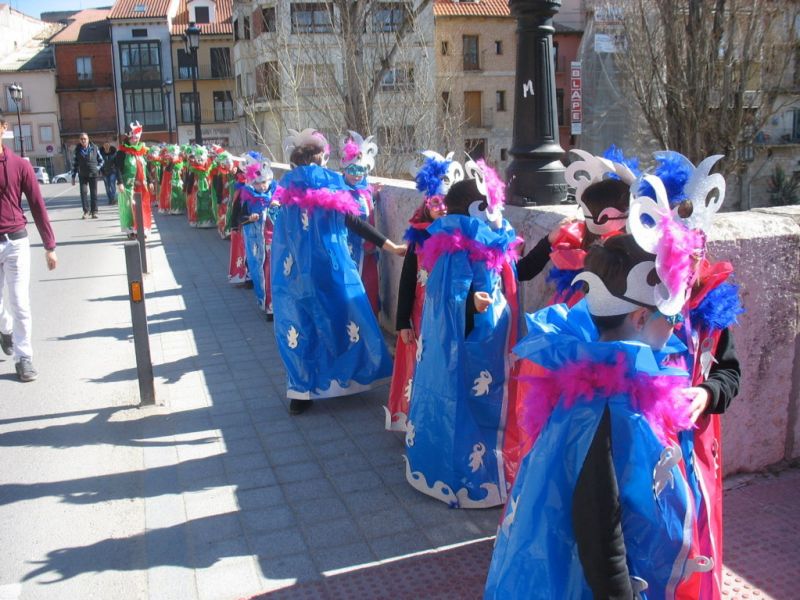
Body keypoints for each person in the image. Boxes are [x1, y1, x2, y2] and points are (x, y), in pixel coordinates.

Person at [403, 159, 522, 508]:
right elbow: (448, 300)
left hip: (489, 342)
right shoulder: (456, 248)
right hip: (471, 345)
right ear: (476, 209)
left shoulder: (488, 242)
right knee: (470, 406)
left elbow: (513, 275)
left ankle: (486, 471)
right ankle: (471, 479)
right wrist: (472, 305)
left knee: (485, 406)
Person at [270, 128, 406, 415]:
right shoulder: (330, 187)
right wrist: (390, 245)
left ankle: (301, 391)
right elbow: (353, 222)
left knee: (301, 325)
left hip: (295, 274)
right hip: (331, 270)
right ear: (321, 161)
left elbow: (277, 231)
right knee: (343, 319)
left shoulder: (285, 191)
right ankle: (345, 378)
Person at [384, 150, 462, 432]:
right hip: (419, 315)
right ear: (427, 204)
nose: (442, 208)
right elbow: (407, 279)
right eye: (435, 202)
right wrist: (402, 321)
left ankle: (443, 419)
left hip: (449, 316)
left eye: (446, 202)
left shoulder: (462, 236)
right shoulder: (419, 235)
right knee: (421, 363)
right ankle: (419, 419)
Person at [0, 116, 58, 382]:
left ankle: (24, 358)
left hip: (16, 241)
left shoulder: (19, 165)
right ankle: (6, 329)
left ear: (3, 128)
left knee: (20, 301)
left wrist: (49, 245)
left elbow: (37, 205)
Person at [340, 131, 381, 316]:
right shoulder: (340, 191)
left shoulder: (365, 190)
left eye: (361, 171)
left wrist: (374, 194)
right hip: (351, 252)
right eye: (353, 170)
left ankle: (370, 325)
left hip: (369, 251)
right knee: (353, 291)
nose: (357, 175)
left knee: (370, 288)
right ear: (344, 169)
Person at [238, 153, 278, 316]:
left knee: (274, 270)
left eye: (264, 182)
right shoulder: (247, 197)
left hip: (274, 241)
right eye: (257, 183)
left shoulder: (275, 194)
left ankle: (273, 303)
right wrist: (250, 218)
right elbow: (240, 218)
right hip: (257, 241)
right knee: (260, 270)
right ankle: (265, 300)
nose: (262, 186)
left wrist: (277, 206)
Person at [115, 121, 152, 238]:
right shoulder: (122, 152)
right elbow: (117, 168)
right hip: (128, 185)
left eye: (137, 137)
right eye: (133, 137)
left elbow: (145, 167)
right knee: (129, 207)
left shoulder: (141, 151)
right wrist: (120, 182)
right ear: (129, 137)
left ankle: (142, 229)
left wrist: (150, 181)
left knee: (142, 206)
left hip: (141, 185)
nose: (135, 140)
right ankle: (131, 230)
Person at [71, 132, 104, 219]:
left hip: (93, 174)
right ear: (79, 140)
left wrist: (97, 168)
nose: (83, 140)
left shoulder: (95, 148)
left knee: (94, 193)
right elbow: (74, 164)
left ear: (88, 139)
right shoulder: (77, 150)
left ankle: (94, 212)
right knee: (83, 192)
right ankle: (86, 211)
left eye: (85, 139)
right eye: (81, 139)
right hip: (83, 174)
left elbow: (101, 160)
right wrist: (73, 177)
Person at [99, 141, 118, 205]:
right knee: (107, 186)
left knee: (112, 184)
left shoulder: (114, 153)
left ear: (109, 146)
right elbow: (99, 162)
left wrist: (116, 169)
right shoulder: (100, 153)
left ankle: (113, 199)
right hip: (104, 172)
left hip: (113, 171)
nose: (106, 146)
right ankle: (110, 199)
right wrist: (100, 171)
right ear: (103, 146)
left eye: (107, 145)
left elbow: (116, 162)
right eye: (105, 145)